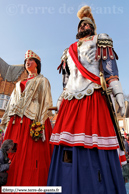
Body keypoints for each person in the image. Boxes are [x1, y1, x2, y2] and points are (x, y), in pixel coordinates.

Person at [47, 6, 126, 194]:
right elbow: (66, 81)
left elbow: (110, 69)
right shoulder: (68, 51)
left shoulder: (101, 40)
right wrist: (59, 100)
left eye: (87, 24)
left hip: (93, 96)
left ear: (93, 27)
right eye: (81, 25)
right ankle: (67, 184)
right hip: (70, 101)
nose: (83, 26)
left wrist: (118, 93)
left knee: (95, 141)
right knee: (67, 145)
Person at [0, 50, 53, 186]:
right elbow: (11, 102)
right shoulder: (18, 84)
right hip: (15, 122)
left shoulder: (42, 80)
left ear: (37, 64)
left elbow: (46, 102)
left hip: (32, 120)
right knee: (10, 154)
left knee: (31, 156)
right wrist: (5, 122)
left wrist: (40, 125)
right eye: (26, 61)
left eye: (31, 60)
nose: (27, 62)